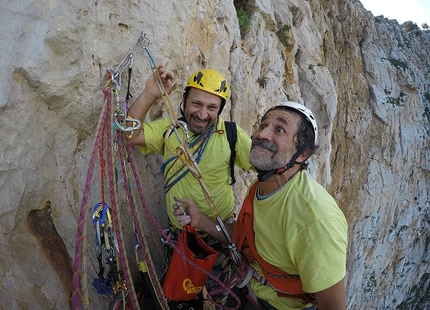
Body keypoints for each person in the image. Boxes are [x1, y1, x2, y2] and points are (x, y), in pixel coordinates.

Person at [174, 101, 348, 310]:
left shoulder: (315, 218)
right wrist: (200, 220)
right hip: (249, 288)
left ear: (302, 154)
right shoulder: (262, 187)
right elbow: (244, 235)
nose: (261, 134)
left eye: (279, 129)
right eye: (263, 125)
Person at [128, 66, 253, 308]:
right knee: (180, 295)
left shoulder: (230, 135)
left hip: (219, 236)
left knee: (219, 300)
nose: (202, 114)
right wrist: (149, 95)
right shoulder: (169, 130)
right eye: (196, 104)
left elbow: (264, 170)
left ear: (220, 110)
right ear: (184, 101)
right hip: (180, 237)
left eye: (212, 107)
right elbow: (130, 136)